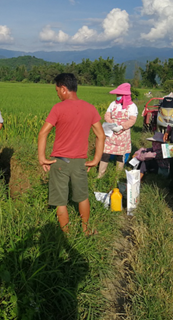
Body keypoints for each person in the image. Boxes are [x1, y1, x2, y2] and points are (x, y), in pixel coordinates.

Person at [38, 73, 105, 234]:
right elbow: (101, 135)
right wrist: (96, 160)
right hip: (80, 162)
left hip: (59, 162)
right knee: (82, 196)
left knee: (60, 201)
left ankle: (65, 234)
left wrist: (42, 158)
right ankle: (86, 230)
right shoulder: (90, 108)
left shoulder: (58, 108)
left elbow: (43, 133)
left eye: (57, 91)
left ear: (63, 89)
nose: (57, 94)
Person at [97, 83, 138, 179]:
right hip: (111, 132)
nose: (118, 97)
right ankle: (100, 174)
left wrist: (122, 127)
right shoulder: (113, 104)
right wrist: (111, 122)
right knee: (105, 152)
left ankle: (117, 176)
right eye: (117, 95)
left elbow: (132, 120)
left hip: (123, 134)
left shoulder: (132, 106)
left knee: (121, 155)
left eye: (120, 95)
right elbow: (107, 115)